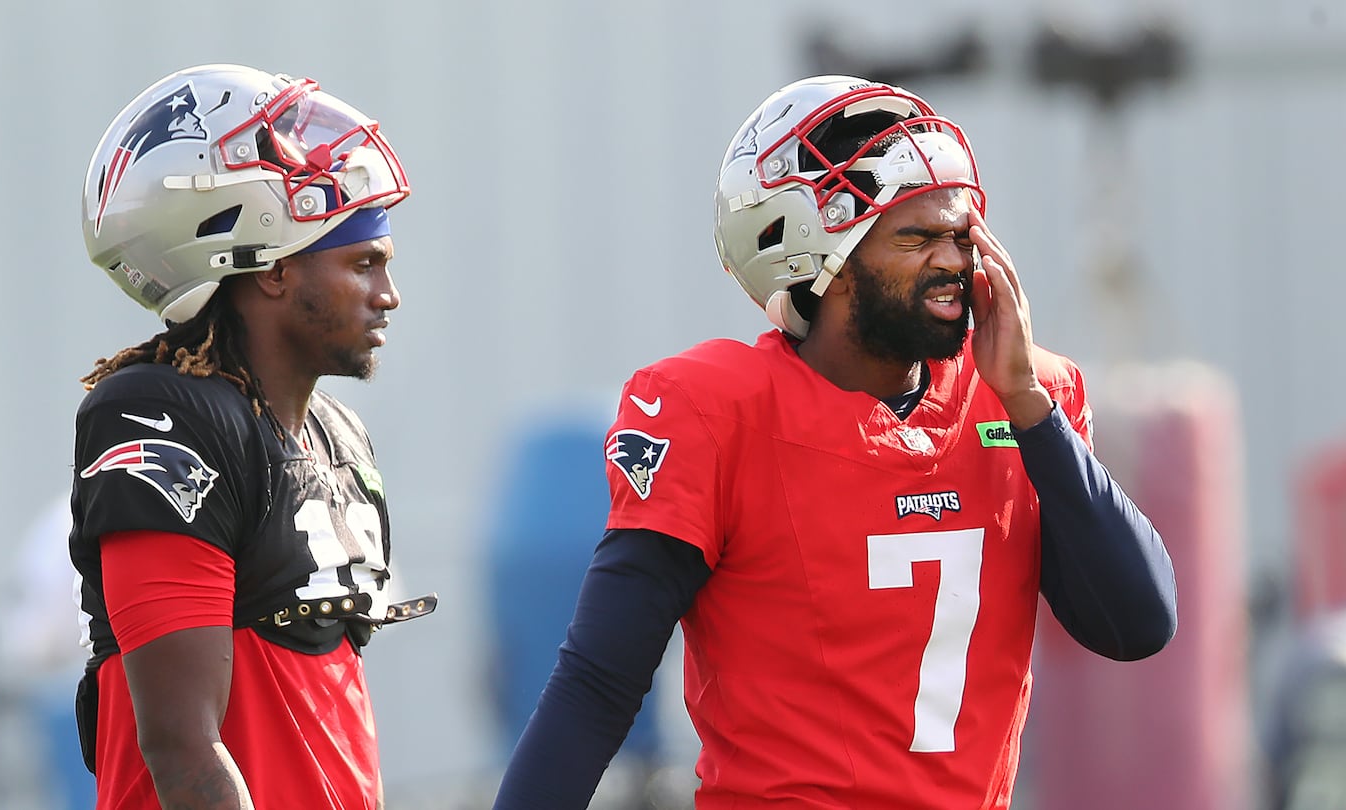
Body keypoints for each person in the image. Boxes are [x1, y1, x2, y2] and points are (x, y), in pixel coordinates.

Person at [491, 75, 1178, 809]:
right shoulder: (716, 409)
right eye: (915, 237)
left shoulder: (1023, 400)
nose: (952, 262)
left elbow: (1137, 624)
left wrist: (1031, 411)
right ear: (822, 258)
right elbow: (600, 682)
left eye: (959, 235)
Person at [71, 63, 435, 810]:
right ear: (270, 269)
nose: (387, 295)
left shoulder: (339, 438)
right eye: (363, 264)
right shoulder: (164, 414)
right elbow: (182, 747)